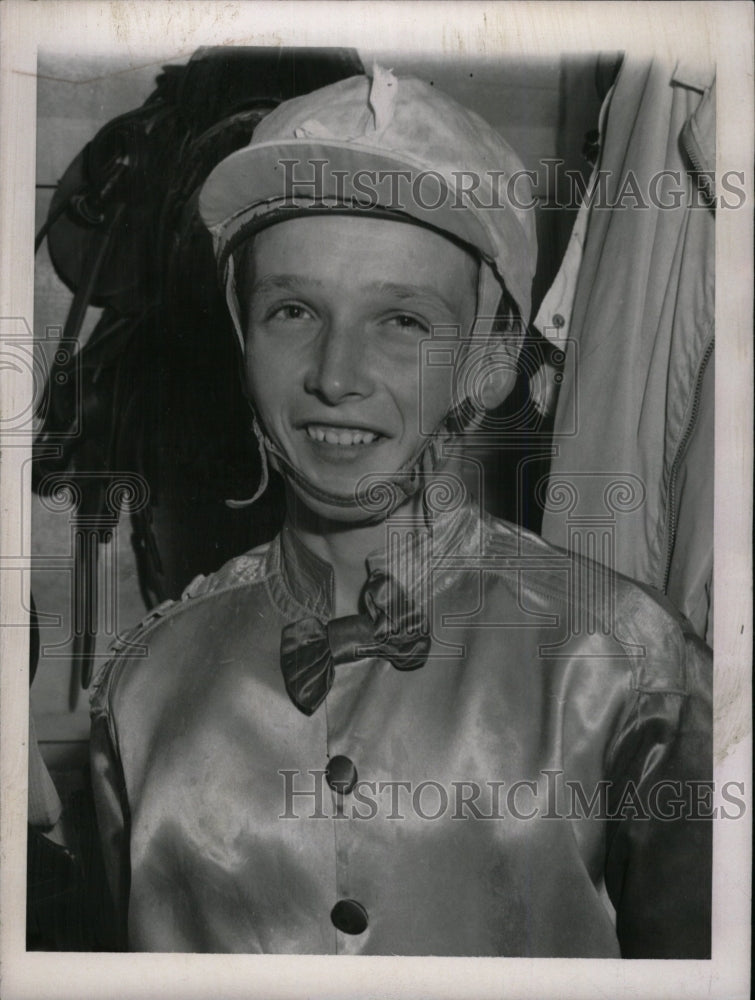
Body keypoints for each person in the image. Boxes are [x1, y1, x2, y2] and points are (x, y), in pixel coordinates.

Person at [89, 67, 712, 956]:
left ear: (489, 365)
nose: (335, 376)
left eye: (403, 322)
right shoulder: (145, 682)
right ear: (239, 339)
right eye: (292, 309)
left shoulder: (624, 669)